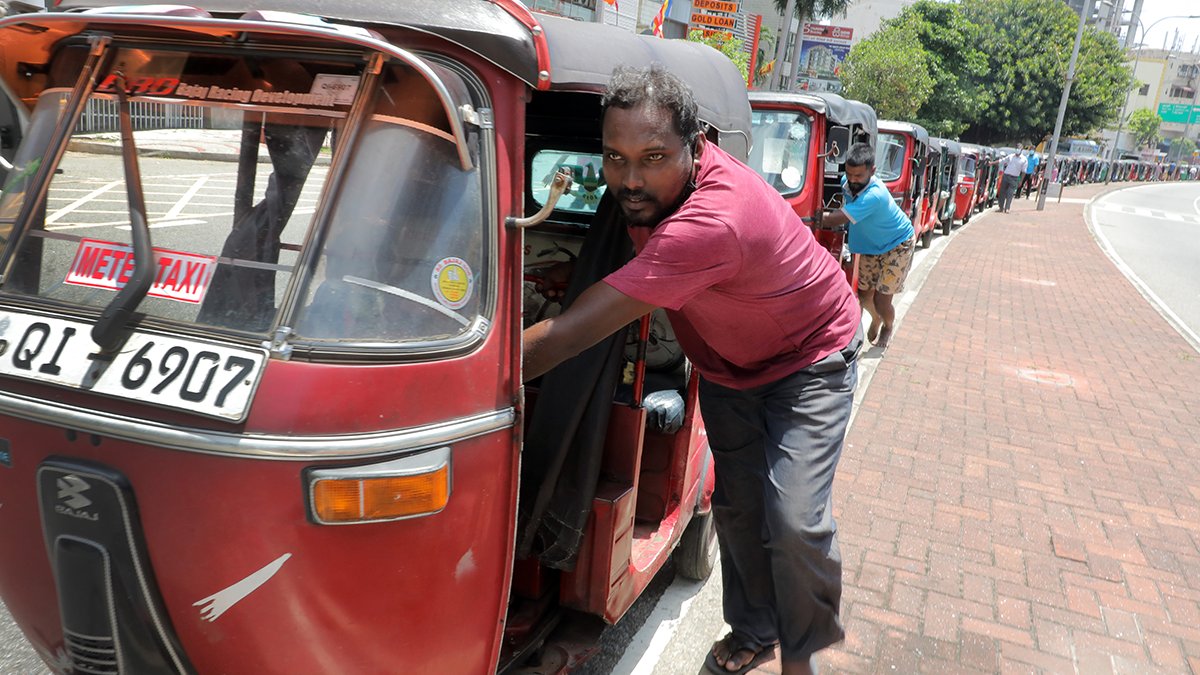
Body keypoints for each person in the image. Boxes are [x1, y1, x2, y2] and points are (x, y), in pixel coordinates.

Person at [522, 65, 862, 675]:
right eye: (614, 157)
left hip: (810, 359)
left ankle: (803, 656)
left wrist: (451, 384)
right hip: (729, 365)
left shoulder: (715, 220)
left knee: (794, 520)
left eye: (653, 156)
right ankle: (754, 629)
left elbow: (570, 335)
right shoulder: (649, 193)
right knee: (735, 506)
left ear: (697, 145)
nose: (630, 179)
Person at [820, 143, 915, 352]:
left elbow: (837, 218)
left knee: (882, 300)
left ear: (872, 171)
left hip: (897, 245)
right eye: (850, 174)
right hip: (870, 247)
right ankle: (876, 320)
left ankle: (888, 326)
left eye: (859, 176)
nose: (853, 180)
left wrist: (808, 216)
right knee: (863, 295)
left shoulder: (875, 194)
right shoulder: (847, 183)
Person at [998, 144, 1027, 213]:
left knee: (1010, 193)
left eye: (1019, 148)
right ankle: (1001, 207)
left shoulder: (1024, 159)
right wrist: (992, 163)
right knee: (1002, 192)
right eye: (1017, 148)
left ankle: (1007, 208)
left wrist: (1021, 181)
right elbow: (1002, 161)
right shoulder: (1010, 156)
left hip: (1014, 178)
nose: (1017, 149)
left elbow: (1024, 172)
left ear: (1021, 150)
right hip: (1006, 176)